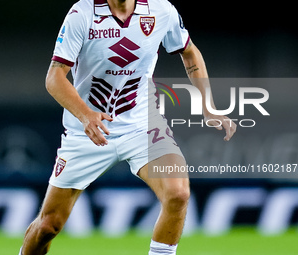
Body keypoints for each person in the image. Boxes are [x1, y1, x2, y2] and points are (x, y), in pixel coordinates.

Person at [18, 0, 236, 254]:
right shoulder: (82, 13)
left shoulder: (161, 10)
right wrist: (86, 115)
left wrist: (207, 105)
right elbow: (54, 77)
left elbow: (189, 52)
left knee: (178, 194)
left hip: (141, 125)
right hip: (86, 131)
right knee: (48, 226)